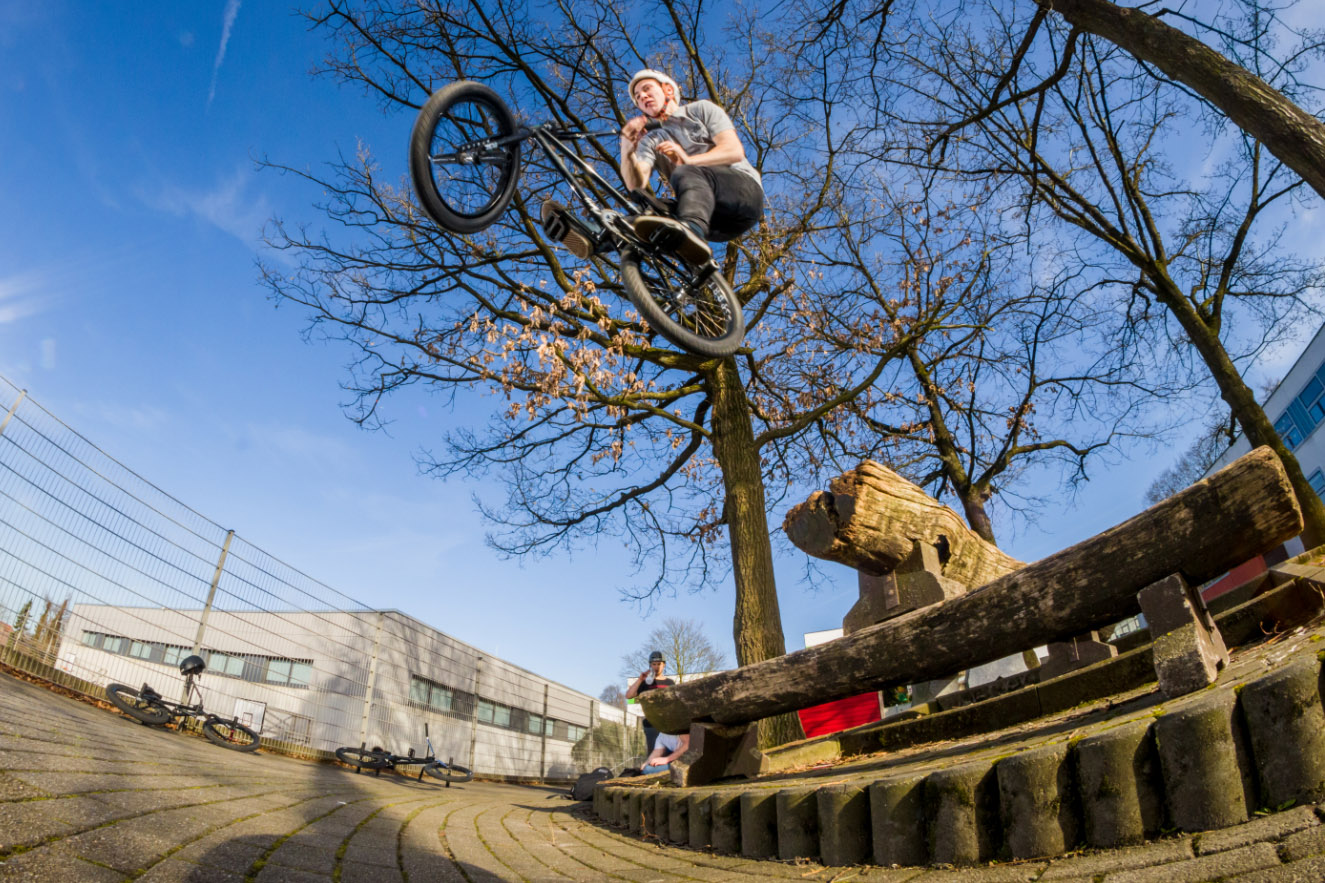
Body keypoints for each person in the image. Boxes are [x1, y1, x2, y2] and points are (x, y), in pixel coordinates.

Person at [618, 69, 765, 266]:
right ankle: (600, 235)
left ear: (668, 90)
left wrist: (688, 160)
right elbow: (636, 184)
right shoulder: (651, 140)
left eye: (646, 89)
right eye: (637, 97)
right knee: (647, 214)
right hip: (712, 220)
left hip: (743, 194)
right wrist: (627, 149)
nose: (642, 97)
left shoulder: (700, 110)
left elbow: (733, 150)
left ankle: (691, 231)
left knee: (686, 171)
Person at [625, 650, 674, 753]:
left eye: (659, 664)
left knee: (668, 753)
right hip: (651, 724)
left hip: (668, 723)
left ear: (664, 665)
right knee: (653, 753)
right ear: (650, 665)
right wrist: (640, 679)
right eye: (654, 664)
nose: (656, 667)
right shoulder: (645, 683)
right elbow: (629, 695)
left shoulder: (670, 683)